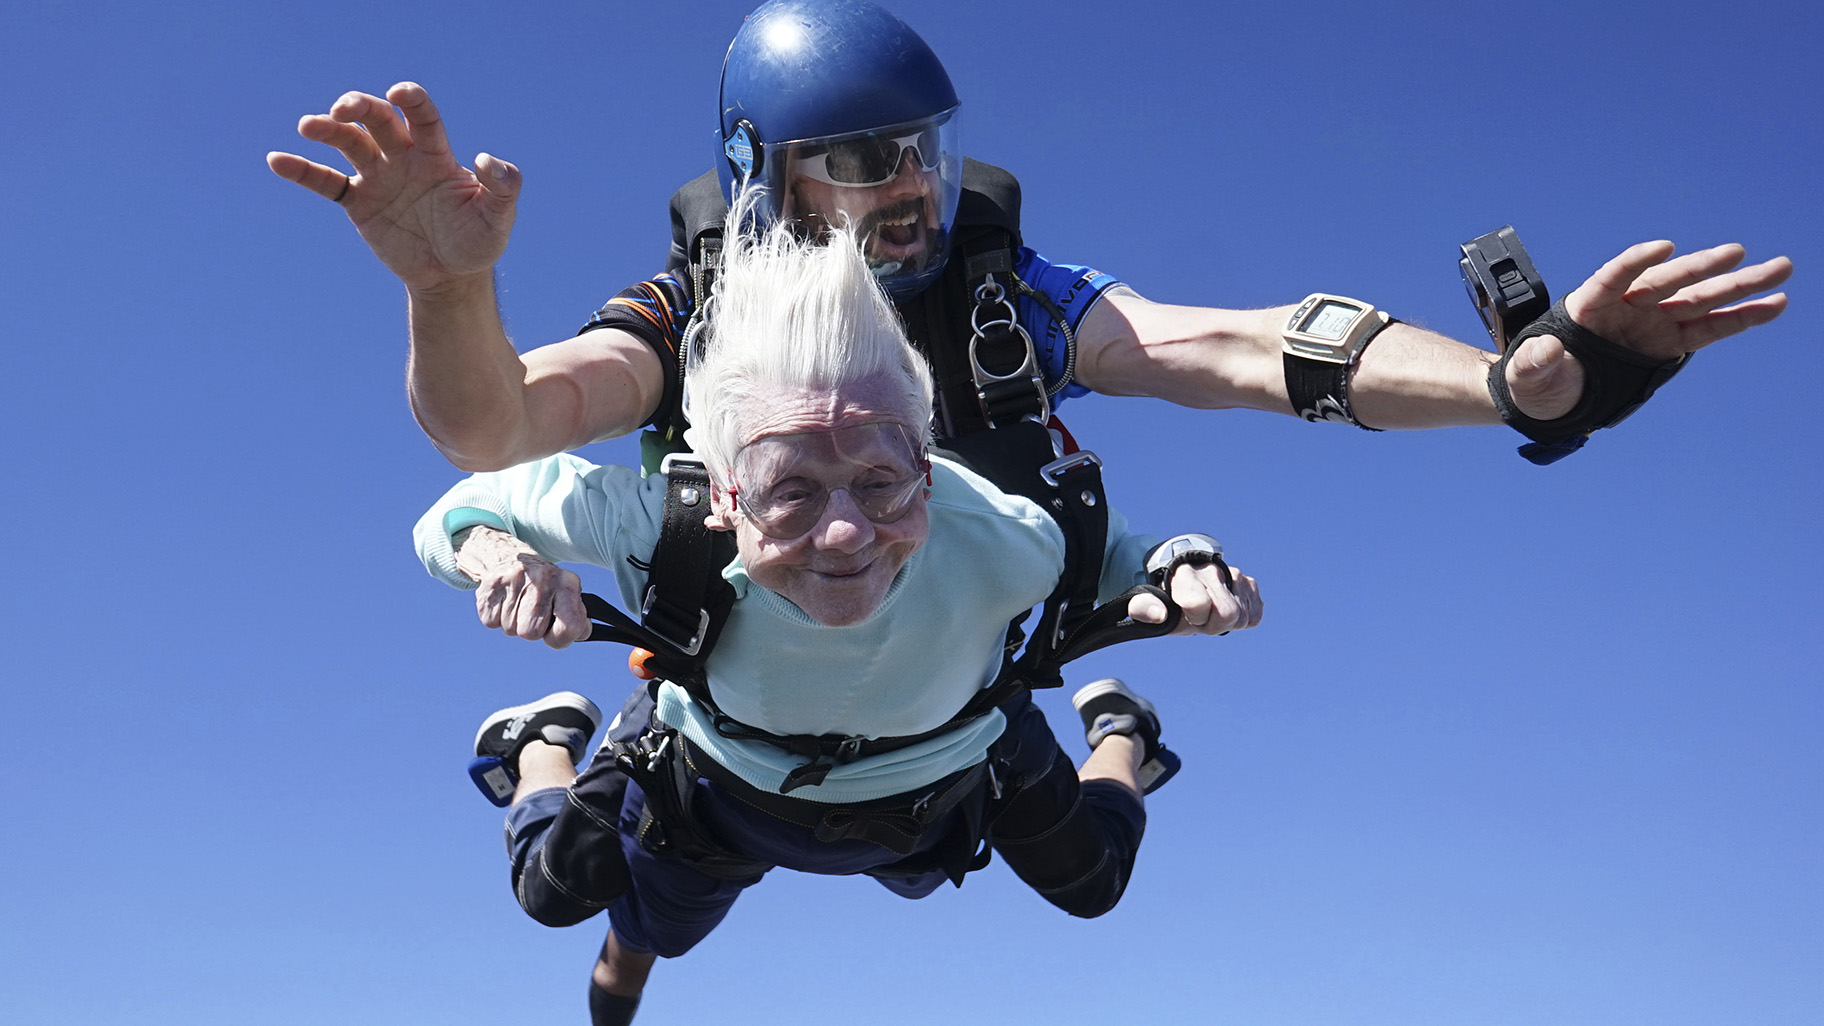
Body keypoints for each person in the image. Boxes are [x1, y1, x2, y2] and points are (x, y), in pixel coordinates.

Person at [267, 0, 1790, 477]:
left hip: (952, 682)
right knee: (650, 874)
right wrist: (454, 295)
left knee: (1068, 869)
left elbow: (1249, 349)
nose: (906, 193)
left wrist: (1519, 385)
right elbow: (498, 426)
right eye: (854, 163)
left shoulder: (1010, 296)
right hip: (742, 673)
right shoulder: (697, 301)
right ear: (757, 181)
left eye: (918, 154)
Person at [412, 210, 1264, 1024]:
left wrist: (1187, 563)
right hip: (722, 785)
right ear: (721, 497)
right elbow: (456, 511)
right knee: (567, 901)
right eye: (791, 492)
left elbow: (1114, 544)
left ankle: (1124, 735)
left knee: (1093, 884)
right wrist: (502, 558)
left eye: (882, 479)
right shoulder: (658, 524)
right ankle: (542, 745)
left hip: (948, 770)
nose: (848, 533)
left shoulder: (1004, 532)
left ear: (927, 468)